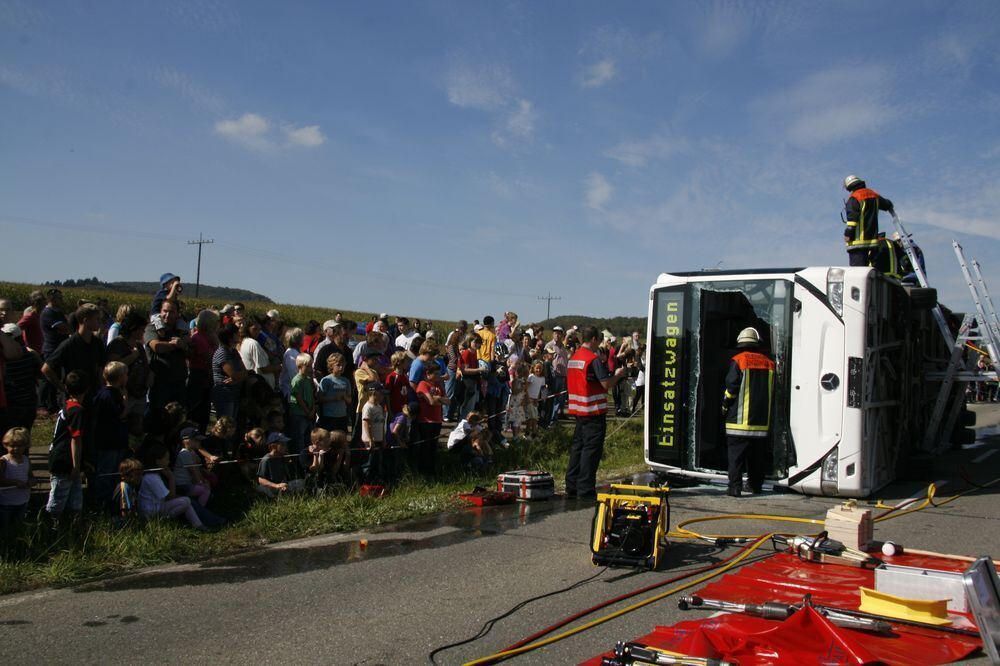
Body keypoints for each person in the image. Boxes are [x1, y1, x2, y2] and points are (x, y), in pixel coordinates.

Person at [565, 326, 627, 500]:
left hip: (578, 411)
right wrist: (619, 375)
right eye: (598, 340)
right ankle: (585, 489)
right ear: (593, 339)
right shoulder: (593, 360)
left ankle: (572, 485)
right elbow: (606, 384)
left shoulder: (574, 358)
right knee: (590, 452)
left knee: (577, 448)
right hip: (593, 411)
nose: (599, 343)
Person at [720, 327, 775, 497]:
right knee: (756, 458)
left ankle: (735, 488)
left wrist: (724, 406)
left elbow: (731, 388)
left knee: (735, 457)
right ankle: (755, 485)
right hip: (761, 423)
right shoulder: (769, 363)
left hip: (738, 422)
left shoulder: (739, 361)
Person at [46, 371, 89, 525]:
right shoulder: (77, 411)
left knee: (75, 496)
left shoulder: (67, 404)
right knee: (59, 494)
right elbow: (75, 439)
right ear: (87, 389)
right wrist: (76, 466)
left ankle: (74, 524)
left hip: (59, 455)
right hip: (65, 459)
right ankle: (53, 526)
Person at [144, 300, 190, 429]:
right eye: (165, 311)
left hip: (179, 382)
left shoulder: (181, 330)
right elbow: (156, 346)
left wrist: (184, 345)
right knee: (158, 418)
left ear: (177, 313)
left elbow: (190, 350)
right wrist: (177, 345)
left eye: (171, 312)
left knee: (177, 419)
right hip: (160, 382)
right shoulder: (152, 327)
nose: (167, 315)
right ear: (160, 311)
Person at [139, 444, 207, 530]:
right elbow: (170, 497)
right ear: (157, 461)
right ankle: (163, 520)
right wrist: (171, 478)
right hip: (151, 512)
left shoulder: (154, 475)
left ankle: (199, 525)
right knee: (185, 501)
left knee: (185, 501)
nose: (169, 461)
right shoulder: (152, 478)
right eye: (166, 459)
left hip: (156, 507)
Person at [91, 361, 130, 509]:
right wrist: (126, 403)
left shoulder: (103, 393)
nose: (127, 377)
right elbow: (120, 414)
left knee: (113, 472)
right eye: (126, 374)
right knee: (108, 473)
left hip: (112, 441)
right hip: (110, 442)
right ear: (120, 377)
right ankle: (102, 503)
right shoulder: (110, 395)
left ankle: (112, 502)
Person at [843, 174, 894, 267]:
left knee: (857, 273)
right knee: (870, 272)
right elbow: (887, 204)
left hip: (857, 243)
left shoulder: (854, 198)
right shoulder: (874, 195)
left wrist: (848, 234)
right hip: (873, 242)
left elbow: (852, 219)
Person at [415, 363, 448, 477]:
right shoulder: (423, 384)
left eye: (439, 373)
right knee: (426, 447)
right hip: (426, 420)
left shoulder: (439, 386)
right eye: (436, 373)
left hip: (437, 420)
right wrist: (439, 399)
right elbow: (431, 402)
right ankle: (423, 472)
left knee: (433, 447)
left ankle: (432, 471)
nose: (439, 376)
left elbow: (448, 401)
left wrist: (438, 398)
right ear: (428, 374)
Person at [0, 427, 33, 533]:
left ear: (26, 446)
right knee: (5, 526)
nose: (16, 449)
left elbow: (30, 475)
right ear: (5, 445)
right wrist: (15, 482)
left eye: (19, 446)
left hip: (23, 499)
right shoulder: (4, 461)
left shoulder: (26, 460)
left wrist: (32, 481)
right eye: (12, 446)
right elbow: (1, 480)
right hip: (6, 502)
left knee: (19, 525)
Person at [256, 433, 304, 498]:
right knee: (261, 488)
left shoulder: (282, 457)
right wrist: (276, 485)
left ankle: (282, 496)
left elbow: (284, 475)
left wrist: (284, 484)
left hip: (281, 486)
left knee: (300, 482)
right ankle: (274, 499)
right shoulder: (266, 459)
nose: (285, 447)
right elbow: (261, 480)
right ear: (273, 446)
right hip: (272, 487)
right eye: (282, 444)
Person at [287, 353, 316, 454]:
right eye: (307, 366)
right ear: (300, 367)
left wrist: (312, 410)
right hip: (299, 413)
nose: (310, 369)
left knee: (308, 438)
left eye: (311, 366)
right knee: (299, 438)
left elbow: (312, 395)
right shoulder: (297, 380)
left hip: (308, 413)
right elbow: (298, 398)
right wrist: (308, 411)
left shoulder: (308, 380)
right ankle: (299, 461)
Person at [317, 353, 351, 433]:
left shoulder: (346, 381)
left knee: (341, 438)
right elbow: (320, 398)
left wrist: (345, 397)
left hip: (342, 415)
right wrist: (334, 398)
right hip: (329, 415)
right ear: (331, 365)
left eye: (343, 365)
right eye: (338, 365)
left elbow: (349, 400)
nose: (341, 367)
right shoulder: (326, 380)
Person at [545, 326, 570, 424]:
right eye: (555, 333)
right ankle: (550, 420)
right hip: (554, 375)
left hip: (563, 375)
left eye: (559, 333)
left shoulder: (563, 347)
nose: (557, 335)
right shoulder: (549, 345)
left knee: (560, 398)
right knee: (553, 398)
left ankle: (554, 418)